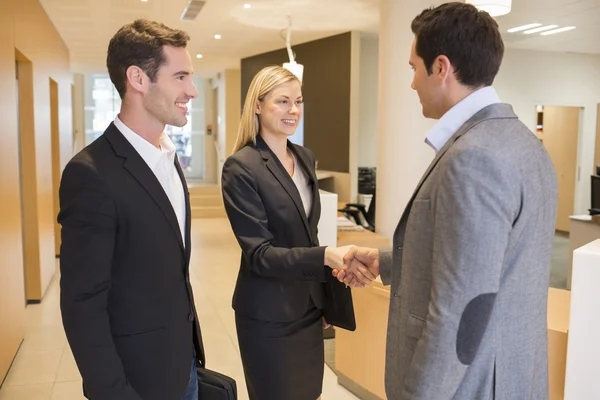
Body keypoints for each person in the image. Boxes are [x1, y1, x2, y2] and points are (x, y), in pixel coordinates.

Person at [335, 3, 558, 399]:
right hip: (510, 374)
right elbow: (487, 263)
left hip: (469, 386)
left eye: (413, 68)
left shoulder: (474, 157)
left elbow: (461, 309)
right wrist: (388, 261)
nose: (411, 83)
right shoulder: (524, 143)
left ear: (441, 68)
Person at [58, 19, 202, 400]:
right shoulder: (90, 174)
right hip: (135, 381)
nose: (193, 90)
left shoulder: (168, 158)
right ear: (138, 78)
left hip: (182, 364)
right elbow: (82, 304)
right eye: (181, 77)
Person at [221, 65, 369, 400]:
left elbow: (308, 234)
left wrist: (323, 299)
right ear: (257, 105)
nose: (294, 110)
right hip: (268, 315)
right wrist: (326, 257)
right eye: (283, 101)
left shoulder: (304, 157)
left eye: (298, 101)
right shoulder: (241, 167)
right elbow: (259, 254)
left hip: (308, 309)